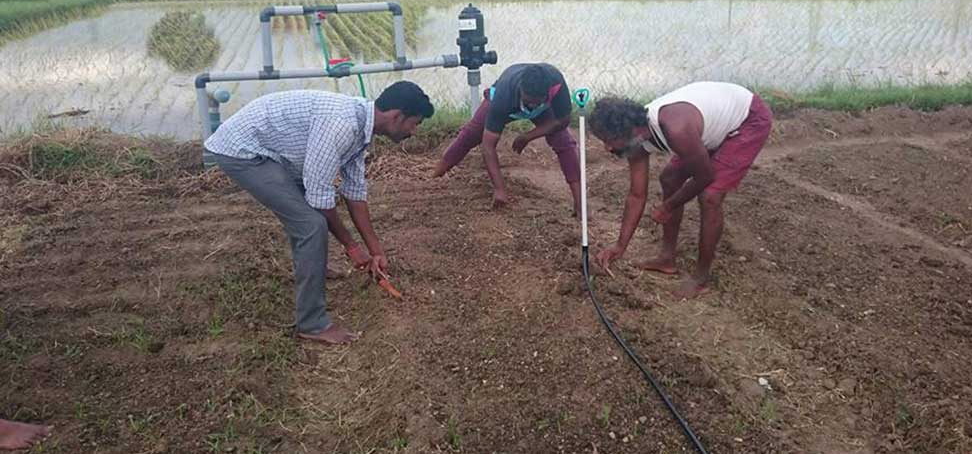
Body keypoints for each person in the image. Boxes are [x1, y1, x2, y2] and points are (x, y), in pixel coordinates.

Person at [204, 82, 434, 345]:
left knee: (306, 215)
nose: (413, 132)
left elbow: (355, 194)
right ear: (396, 116)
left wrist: (376, 251)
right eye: (414, 124)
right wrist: (351, 247)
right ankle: (312, 324)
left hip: (276, 152)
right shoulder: (342, 125)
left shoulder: (361, 128)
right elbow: (319, 200)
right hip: (244, 151)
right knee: (311, 224)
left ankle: (313, 265)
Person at [588, 82, 772, 298]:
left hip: (747, 120)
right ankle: (667, 259)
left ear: (633, 131)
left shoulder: (675, 128)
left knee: (710, 196)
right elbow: (637, 195)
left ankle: (701, 278)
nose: (607, 148)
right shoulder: (636, 140)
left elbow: (705, 176)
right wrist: (620, 246)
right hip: (711, 123)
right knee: (669, 179)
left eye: (609, 140)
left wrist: (669, 205)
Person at [432, 63, 582, 215]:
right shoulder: (503, 97)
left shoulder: (556, 83)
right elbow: (488, 146)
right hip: (506, 99)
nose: (531, 106)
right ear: (521, 90)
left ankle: (580, 202)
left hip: (543, 110)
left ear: (547, 92)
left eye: (537, 102)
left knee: (563, 141)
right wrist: (499, 189)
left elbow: (563, 121)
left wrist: (528, 136)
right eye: (529, 101)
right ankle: (435, 177)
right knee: (470, 135)